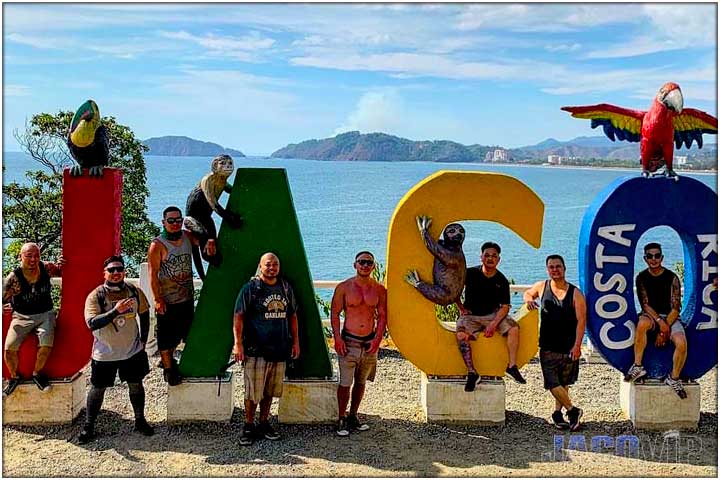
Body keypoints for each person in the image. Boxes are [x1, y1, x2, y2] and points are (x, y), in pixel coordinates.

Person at [78, 255, 154, 444]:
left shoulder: (134, 291)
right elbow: (92, 323)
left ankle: (139, 420)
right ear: (104, 273)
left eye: (119, 269)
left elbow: (144, 314)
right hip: (105, 353)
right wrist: (115, 311)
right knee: (98, 388)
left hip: (132, 351)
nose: (115, 273)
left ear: (124, 271)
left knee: (136, 384)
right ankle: (89, 425)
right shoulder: (96, 296)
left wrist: (144, 340)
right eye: (111, 270)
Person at [232, 252, 300, 446]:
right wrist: (238, 344)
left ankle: (263, 422)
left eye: (275, 265)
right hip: (256, 350)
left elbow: (293, 315)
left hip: (279, 348)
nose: (272, 268)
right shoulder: (251, 288)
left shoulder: (285, 288)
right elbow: (238, 315)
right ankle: (248, 424)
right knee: (253, 391)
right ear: (261, 266)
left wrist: (296, 342)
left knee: (270, 391)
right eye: (268, 265)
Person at [523, 254, 586, 431]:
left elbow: (582, 321)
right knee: (552, 382)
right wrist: (529, 300)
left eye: (558, 266)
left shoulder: (576, 294)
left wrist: (577, 346)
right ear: (547, 269)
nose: (555, 270)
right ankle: (573, 411)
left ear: (564, 268)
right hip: (547, 345)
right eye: (551, 267)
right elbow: (529, 293)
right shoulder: (542, 286)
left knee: (563, 382)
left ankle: (558, 415)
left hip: (568, 346)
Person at [147, 206, 208, 386]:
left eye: (178, 220)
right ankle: (168, 369)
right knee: (166, 336)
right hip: (168, 299)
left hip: (186, 297)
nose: (175, 224)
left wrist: (209, 241)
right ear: (163, 222)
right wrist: (158, 299)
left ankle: (169, 361)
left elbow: (203, 241)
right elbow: (153, 274)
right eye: (171, 220)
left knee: (184, 333)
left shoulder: (187, 237)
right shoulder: (157, 245)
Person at [456, 242, 526, 392]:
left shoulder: (501, 280)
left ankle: (512, 367)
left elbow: (505, 306)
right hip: (471, 315)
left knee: (513, 328)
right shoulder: (470, 273)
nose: (490, 258)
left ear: (498, 260)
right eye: (487, 255)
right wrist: (461, 307)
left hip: (493, 315)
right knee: (461, 335)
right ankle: (472, 373)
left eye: (494, 256)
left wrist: (494, 324)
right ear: (481, 257)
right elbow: (454, 288)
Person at [331, 251, 388, 436]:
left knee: (361, 382)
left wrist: (377, 340)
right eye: (361, 262)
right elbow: (335, 314)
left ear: (373, 266)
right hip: (349, 342)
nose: (365, 265)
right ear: (354, 264)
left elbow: (382, 316)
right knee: (345, 383)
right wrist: (337, 339)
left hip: (369, 343)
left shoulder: (379, 290)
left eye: (369, 262)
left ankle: (353, 415)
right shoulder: (344, 287)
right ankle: (341, 417)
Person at [624, 242, 688, 399]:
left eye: (657, 255)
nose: (654, 259)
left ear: (662, 257)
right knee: (642, 324)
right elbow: (645, 304)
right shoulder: (641, 278)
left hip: (671, 317)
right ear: (645, 258)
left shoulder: (672, 277)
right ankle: (638, 366)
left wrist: (664, 328)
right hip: (652, 316)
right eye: (650, 256)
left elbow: (676, 307)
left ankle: (673, 378)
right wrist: (660, 323)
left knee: (681, 342)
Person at [2, 242, 63, 396]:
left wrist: (61, 265)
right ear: (20, 257)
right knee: (9, 348)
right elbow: (2, 298)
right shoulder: (14, 277)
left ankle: (37, 373)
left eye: (36, 255)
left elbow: (60, 272)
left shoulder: (45, 268)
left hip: (45, 313)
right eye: (28, 255)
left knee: (46, 343)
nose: (33, 259)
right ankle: (14, 377)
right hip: (22, 316)